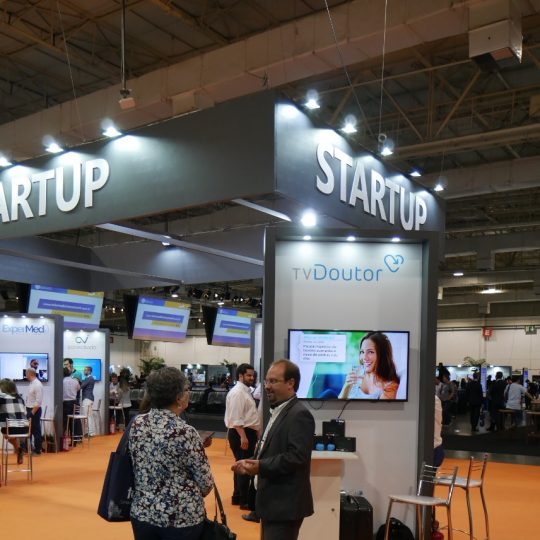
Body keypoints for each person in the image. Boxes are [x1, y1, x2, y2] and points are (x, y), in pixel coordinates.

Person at [233, 359, 315, 540]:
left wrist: (260, 466)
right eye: (266, 381)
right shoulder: (280, 410)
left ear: (290, 383)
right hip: (273, 504)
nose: (267, 386)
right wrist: (251, 462)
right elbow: (272, 448)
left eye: (273, 381)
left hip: (285, 506)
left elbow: (297, 457)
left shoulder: (299, 414)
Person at [129, 367, 213, 540]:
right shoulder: (185, 432)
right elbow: (206, 483)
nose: (188, 393)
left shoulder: (136, 424)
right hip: (180, 518)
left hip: (143, 513)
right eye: (187, 390)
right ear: (178, 397)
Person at [224, 363, 260, 510]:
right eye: (248, 375)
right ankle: (244, 501)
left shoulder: (245, 391)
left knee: (240, 464)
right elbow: (236, 418)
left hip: (246, 432)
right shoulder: (238, 393)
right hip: (241, 433)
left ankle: (237, 497)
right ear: (240, 376)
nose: (252, 378)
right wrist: (243, 437)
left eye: (253, 375)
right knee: (245, 467)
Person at [339, 332, 400, 400]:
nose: (364, 357)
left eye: (370, 352)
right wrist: (346, 385)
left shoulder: (390, 386)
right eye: (362, 352)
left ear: (382, 355)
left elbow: (381, 407)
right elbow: (338, 403)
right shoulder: (357, 375)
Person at [0, 378, 28, 464]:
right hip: (25, 429)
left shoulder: (1, 398)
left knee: (6, 433)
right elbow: (25, 413)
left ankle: (18, 449)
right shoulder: (20, 398)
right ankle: (19, 449)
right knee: (12, 433)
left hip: (10, 429)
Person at [25, 367, 43, 454]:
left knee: (36, 430)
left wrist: (32, 413)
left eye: (26, 374)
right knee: (30, 430)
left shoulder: (37, 384)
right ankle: (30, 448)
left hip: (35, 410)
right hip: (30, 409)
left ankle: (38, 449)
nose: (25, 376)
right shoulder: (31, 383)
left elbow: (38, 401)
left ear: (30, 374)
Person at [63, 367, 80, 436]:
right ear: (70, 373)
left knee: (64, 421)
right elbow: (78, 388)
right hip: (74, 402)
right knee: (73, 420)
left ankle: (64, 438)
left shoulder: (62, 381)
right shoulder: (75, 381)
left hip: (65, 403)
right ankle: (75, 438)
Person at [80, 366, 96, 436]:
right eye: (84, 370)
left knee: (87, 416)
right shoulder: (90, 378)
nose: (84, 371)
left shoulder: (89, 378)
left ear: (89, 371)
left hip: (87, 399)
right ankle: (91, 432)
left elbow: (81, 386)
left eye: (85, 370)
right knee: (89, 416)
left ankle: (90, 432)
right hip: (88, 398)